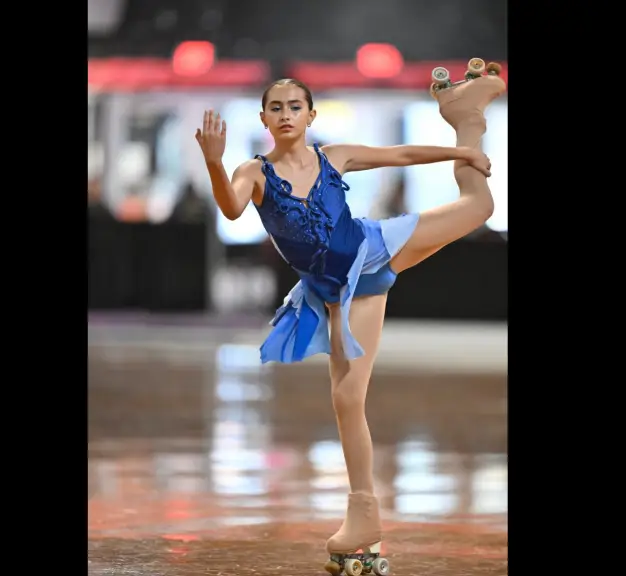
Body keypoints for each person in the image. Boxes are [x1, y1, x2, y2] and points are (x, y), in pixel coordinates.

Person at [195, 64, 506, 575]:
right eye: (277, 107)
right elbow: (231, 209)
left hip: (372, 249)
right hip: (336, 289)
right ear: (264, 119)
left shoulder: (332, 156)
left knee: (478, 205)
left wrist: (461, 150)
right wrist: (214, 161)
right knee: (346, 397)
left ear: (312, 115)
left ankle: (465, 117)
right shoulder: (253, 172)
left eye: (296, 106)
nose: (287, 114)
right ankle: (364, 513)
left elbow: (402, 155)